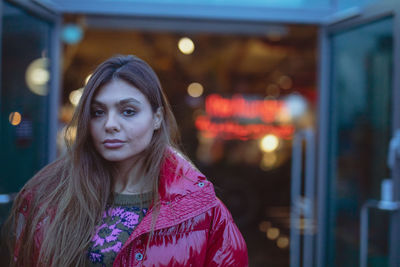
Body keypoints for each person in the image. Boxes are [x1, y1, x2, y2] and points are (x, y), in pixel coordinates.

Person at [4, 55, 248, 266]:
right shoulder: (49, 197)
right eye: (98, 112)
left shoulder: (202, 210)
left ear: (156, 118)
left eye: (128, 111)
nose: (110, 124)